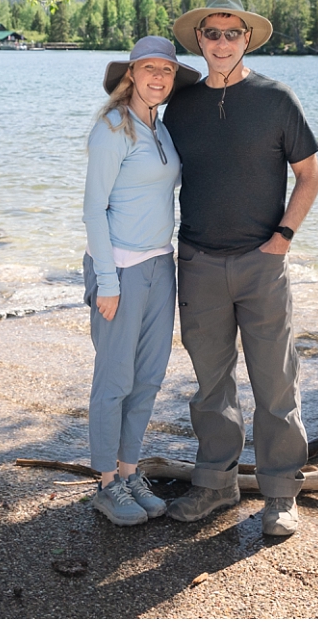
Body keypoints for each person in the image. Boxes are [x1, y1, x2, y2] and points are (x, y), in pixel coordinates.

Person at [161, 0, 318, 538]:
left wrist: (282, 238)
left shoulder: (276, 99)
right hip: (199, 260)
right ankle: (215, 482)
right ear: (199, 41)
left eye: (233, 33)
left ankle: (280, 492)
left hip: (262, 262)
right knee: (210, 383)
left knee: (276, 379)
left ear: (246, 39)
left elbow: (310, 175)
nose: (222, 42)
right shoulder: (180, 106)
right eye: (213, 33)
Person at [82, 36, 200, 526]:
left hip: (159, 264)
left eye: (167, 71)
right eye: (149, 69)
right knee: (114, 380)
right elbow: (93, 209)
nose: (158, 78)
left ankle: (130, 473)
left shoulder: (161, 129)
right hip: (121, 269)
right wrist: (106, 280)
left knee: (148, 377)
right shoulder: (113, 129)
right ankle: (107, 484)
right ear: (131, 74)